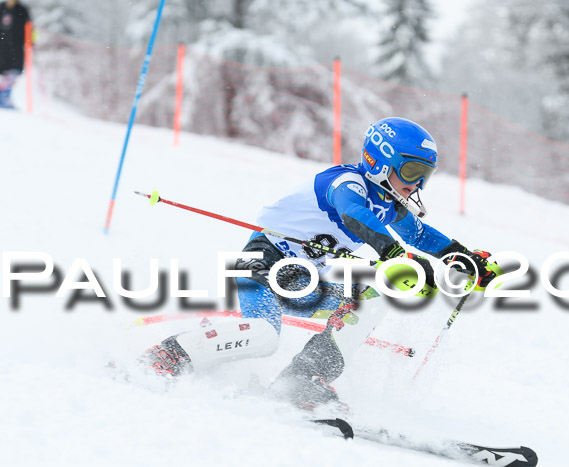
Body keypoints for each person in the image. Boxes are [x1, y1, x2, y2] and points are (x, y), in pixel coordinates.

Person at [141, 117, 497, 407]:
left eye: (425, 175)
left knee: (373, 298)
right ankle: (171, 353)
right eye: (411, 172)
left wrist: (465, 259)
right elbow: (354, 214)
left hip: (306, 279)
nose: (417, 183)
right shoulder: (346, 182)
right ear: (381, 161)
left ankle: (303, 380)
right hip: (263, 264)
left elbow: (420, 235)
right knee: (264, 338)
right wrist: (392, 255)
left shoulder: (389, 202)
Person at [0, 0, 31, 109]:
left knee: (13, 72)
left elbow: (30, 28)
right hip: (2, 47)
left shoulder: (22, 9)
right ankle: (3, 97)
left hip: (16, 47)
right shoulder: (1, 8)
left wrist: (31, 41)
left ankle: (4, 96)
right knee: (4, 72)